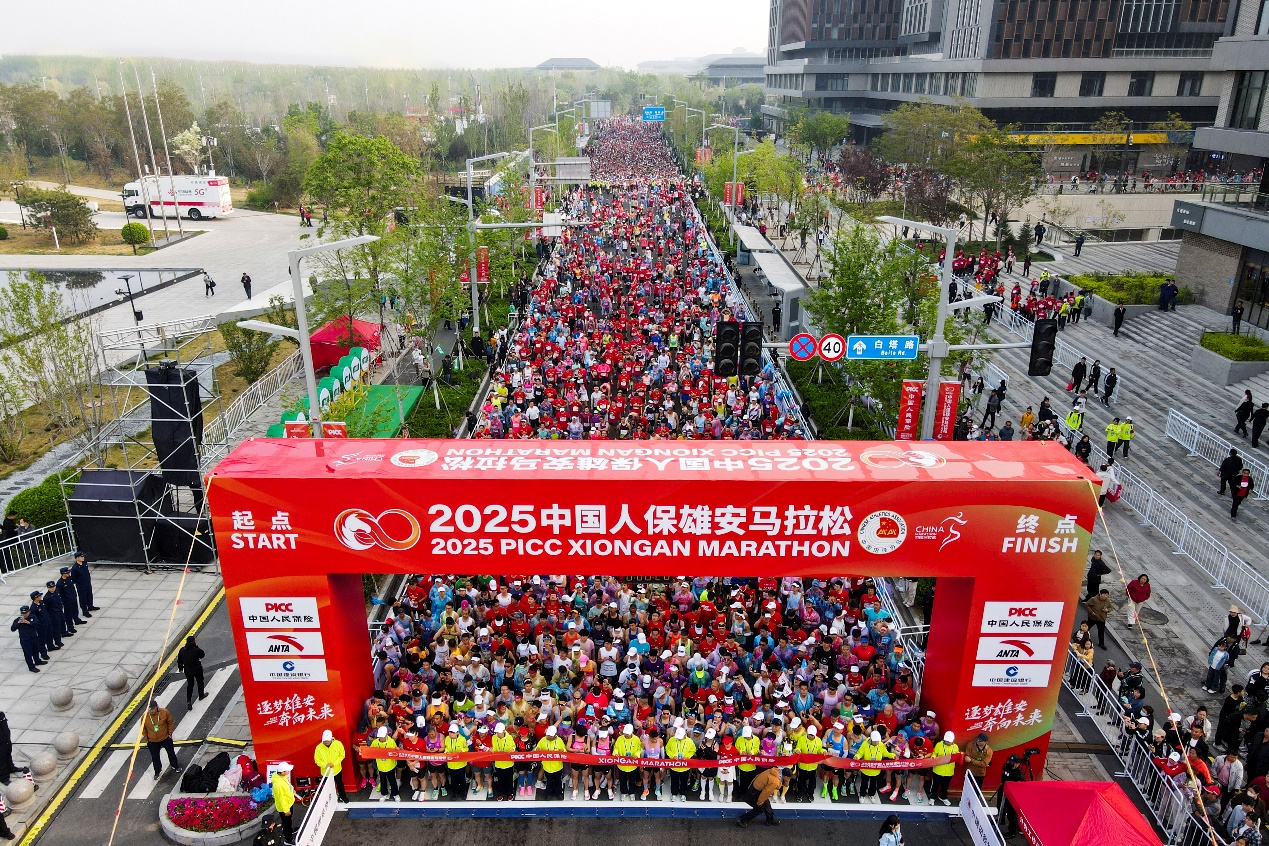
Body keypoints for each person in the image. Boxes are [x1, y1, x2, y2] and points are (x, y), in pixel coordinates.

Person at [142, 700, 180, 778]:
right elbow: (143, 729)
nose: (151, 711)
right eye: (149, 709)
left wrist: (170, 733)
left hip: (165, 737)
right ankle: (157, 771)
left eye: (152, 709)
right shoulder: (144, 717)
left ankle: (175, 766)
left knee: (171, 753)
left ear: (157, 707)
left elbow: (170, 722)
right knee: (155, 757)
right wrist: (147, 739)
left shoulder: (164, 712)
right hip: (152, 740)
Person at [314, 729, 348, 803]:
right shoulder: (319, 748)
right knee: (328, 787)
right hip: (325, 772)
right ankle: (331, 800)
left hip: (337, 770)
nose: (326, 742)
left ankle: (342, 796)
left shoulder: (338, 744)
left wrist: (334, 763)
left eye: (328, 741)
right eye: (325, 741)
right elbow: (317, 760)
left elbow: (342, 755)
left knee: (339, 784)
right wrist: (325, 765)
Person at [996, 755, 1026, 836]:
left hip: (1011, 795)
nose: (1010, 763)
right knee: (999, 805)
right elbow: (1004, 772)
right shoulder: (1007, 766)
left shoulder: (1019, 775)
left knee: (1011, 813)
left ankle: (1012, 831)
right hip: (1003, 789)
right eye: (1010, 761)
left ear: (1017, 764)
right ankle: (1001, 819)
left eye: (1013, 762)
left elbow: (1020, 788)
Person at [536, 725, 566, 800]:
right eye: (549, 735)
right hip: (547, 766)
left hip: (557, 766)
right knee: (549, 781)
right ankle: (548, 794)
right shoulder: (543, 740)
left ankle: (559, 793)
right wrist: (538, 749)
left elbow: (564, 750)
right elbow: (537, 747)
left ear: (555, 734)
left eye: (551, 735)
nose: (550, 737)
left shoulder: (559, 741)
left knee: (558, 781)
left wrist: (563, 751)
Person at [12, 605, 46, 672]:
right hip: (25, 639)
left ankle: (37, 661)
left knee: (36, 650)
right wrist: (18, 623)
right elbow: (12, 629)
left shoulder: (32, 617)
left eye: (25, 613)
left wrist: (29, 622)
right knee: (28, 654)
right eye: (23, 613)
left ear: (29, 612)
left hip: (34, 637)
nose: (24, 615)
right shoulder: (17, 620)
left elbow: (37, 623)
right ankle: (31, 667)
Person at [369, 726, 399, 800]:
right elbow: (371, 751)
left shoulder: (391, 741)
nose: (381, 738)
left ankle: (395, 794)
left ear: (386, 734)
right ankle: (384, 794)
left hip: (390, 765)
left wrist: (397, 750)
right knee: (382, 780)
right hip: (381, 766)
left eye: (382, 736)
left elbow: (395, 753)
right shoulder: (375, 742)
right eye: (380, 736)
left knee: (392, 780)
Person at [929, 731, 958, 806]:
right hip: (938, 770)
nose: (948, 743)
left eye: (949, 741)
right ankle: (932, 797)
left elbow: (956, 756)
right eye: (947, 741)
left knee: (945, 786)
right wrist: (933, 757)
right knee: (935, 785)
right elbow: (934, 753)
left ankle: (943, 797)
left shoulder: (955, 747)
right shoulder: (939, 745)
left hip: (949, 771)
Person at [177, 635, 206, 708]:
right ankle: (201, 695)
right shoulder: (196, 650)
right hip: (197, 669)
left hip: (188, 670)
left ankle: (189, 701)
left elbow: (179, 660)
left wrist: (180, 668)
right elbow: (202, 655)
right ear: (193, 642)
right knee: (200, 682)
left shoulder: (182, 650)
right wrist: (196, 646)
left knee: (190, 685)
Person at [272, 762, 298, 844]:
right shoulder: (278, 785)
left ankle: (289, 830)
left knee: (288, 821)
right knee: (286, 822)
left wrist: (292, 790)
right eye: (287, 770)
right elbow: (281, 799)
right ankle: (288, 840)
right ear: (282, 772)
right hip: (285, 807)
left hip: (288, 803)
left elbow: (287, 785)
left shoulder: (281, 776)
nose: (289, 772)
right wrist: (286, 810)